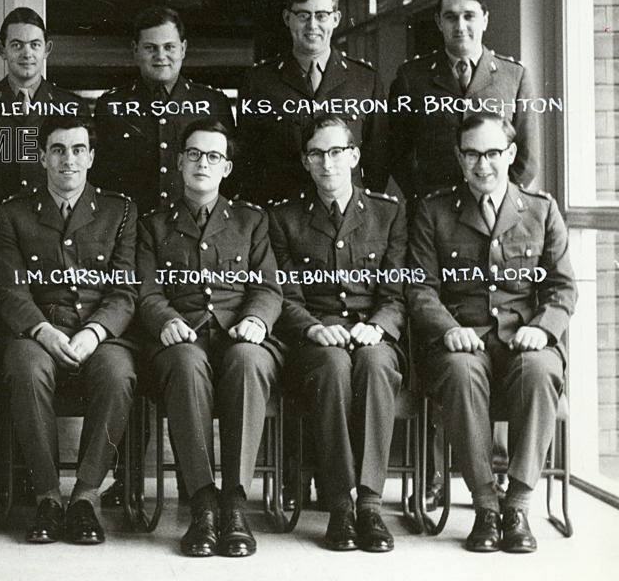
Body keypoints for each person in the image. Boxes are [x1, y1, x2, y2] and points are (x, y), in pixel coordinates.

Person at [406, 112, 575, 553]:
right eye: (472, 154)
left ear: (512, 154)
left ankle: (516, 505)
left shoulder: (541, 209)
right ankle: (484, 506)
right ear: (459, 159)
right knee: (460, 371)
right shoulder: (433, 210)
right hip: (463, 340)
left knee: (540, 369)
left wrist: (543, 329)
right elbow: (420, 287)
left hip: (524, 337)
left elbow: (562, 287)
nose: (483, 165)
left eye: (493, 153)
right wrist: (448, 329)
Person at [136, 118, 282, 558]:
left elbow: (268, 287)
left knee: (250, 360)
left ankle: (234, 501)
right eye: (195, 154)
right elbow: (144, 289)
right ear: (179, 162)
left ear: (227, 168)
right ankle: (202, 500)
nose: (203, 163)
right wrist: (163, 319)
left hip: (237, 336)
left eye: (214, 156)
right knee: (183, 360)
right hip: (181, 338)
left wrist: (257, 320)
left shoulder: (251, 220)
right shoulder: (153, 224)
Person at [0, 117, 137, 546]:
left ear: (91, 157)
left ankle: (86, 497)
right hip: (39, 329)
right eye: (58, 150)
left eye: (78, 150)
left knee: (118, 374)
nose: (68, 160)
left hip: (100, 332)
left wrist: (94, 333)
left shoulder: (121, 210)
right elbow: (10, 290)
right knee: (24, 367)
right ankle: (47, 497)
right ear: (42, 158)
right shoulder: (13, 212)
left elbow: (125, 289)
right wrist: (42, 331)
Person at [268, 114, 405, 552]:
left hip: (373, 331)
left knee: (376, 362)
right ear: (305, 163)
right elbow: (283, 294)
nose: (327, 164)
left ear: (355, 156)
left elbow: (399, 291)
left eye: (336, 152)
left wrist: (378, 326)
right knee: (331, 364)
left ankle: (369, 504)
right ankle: (339, 506)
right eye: (317, 154)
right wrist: (312, 328)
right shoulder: (285, 218)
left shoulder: (388, 213)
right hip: (314, 338)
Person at [238, 0, 387, 205]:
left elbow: (378, 159)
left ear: (336, 19)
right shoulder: (258, 82)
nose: (312, 25)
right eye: (303, 15)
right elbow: (248, 161)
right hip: (282, 219)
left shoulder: (366, 80)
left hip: (346, 218)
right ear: (287, 18)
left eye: (321, 15)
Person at [389, 0, 538, 200]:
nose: (460, 26)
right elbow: (398, 154)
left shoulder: (514, 77)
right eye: (451, 17)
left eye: (469, 16)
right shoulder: (412, 78)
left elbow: (527, 157)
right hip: (434, 217)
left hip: (494, 215)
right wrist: (429, 204)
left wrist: (497, 201)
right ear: (439, 22)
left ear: (485, 20)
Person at [92, 6, 235, 214]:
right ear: (135, 50)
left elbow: (230, 175)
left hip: (193, 230)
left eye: (169, 47)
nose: (161, 56)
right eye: (151, 47)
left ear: (183, 49)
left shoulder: (213, 103)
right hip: (132, 228)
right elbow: (98, 176)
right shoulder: (111, 105)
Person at [0, 7, 88, 214]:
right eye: (17, 45)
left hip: (51, 228)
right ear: (2, 50)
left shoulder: (71, 107)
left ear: (47, 50)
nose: (27, 54)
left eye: (35, 45)